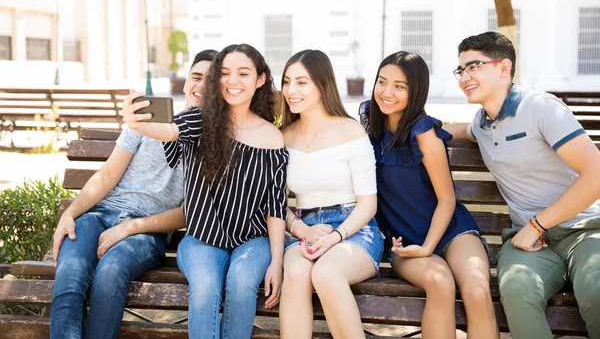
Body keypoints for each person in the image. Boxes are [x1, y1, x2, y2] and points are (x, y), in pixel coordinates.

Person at [122, 43, 288, 339]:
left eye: (243, 73)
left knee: (241, 283)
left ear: (260, 79)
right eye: (224, 73)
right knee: (206, 286)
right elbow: (169, 130)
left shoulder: (273, 138)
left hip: (253, 239)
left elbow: (274, 206)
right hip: (201, 238)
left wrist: (276, 261)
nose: (232, 81)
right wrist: (139, 123)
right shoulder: (200, 120)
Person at [50, 48, 217, 339]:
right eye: (196, 77)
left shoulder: (215, 146)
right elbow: (106, 175)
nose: (201, 86)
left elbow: (187, 212)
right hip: (100, 216)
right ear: (187, 80)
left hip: (146, 232)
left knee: (110, 273)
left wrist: (129, 228)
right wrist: (70, 214)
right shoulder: (147, 122)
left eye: (211, 81)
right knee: (70, 276)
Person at [445, 31, 600, 339]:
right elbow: (462, 129)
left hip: (584, 230)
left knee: (596, 290)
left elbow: (596, 174)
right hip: (528, 244)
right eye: (461, 70)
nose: (464, 77)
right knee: (516, 290)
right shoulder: (482, 122)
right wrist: (416, 125)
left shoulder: (541, 108)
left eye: (474, 66)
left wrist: (537, 224)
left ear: (504, 68)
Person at [358, 50, 498, 338]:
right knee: (440, 281)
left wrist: (429, 246)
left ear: (416, 91)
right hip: (404, 241)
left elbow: (447, 200)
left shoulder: (424, 133)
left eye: (400, 86)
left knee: (477, 289)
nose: (387, 92)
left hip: (452, 232)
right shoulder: (367, 123)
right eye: (382, 82)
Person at [278, 49, 383, 338]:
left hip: (354, 229)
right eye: (287, 82)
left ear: (322, 85)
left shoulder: (351, 132)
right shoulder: (283, 136)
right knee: (297, 273)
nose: (290, 90)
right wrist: (300, 229)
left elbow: (368, 204)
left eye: (302, 82)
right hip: (305, 227)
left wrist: (337, 237)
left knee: (326, 273)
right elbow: (273, 201)